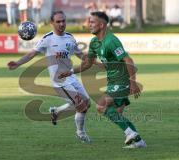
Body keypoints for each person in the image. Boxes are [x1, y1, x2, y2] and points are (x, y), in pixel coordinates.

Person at [59, 11, 146, 148]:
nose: (89, 24)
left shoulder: (111, 41)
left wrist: (133, 83)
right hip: (113, 81)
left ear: (102, 24)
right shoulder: (94, 42)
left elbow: (128, 60)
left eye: (92, 22)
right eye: (89, 21)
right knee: (117, 114)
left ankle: (130, 133)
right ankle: (139, 141)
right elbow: (87, 63)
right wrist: (70, 72)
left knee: (101, 106)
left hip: (122, 80)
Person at [7, 11, 91, 143]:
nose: (61, 24)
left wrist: (90, 59)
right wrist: (17, 63)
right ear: (52, 23)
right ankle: (80, 133)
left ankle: (56, 111)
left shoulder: (70, 37)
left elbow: (80, 54)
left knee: (87, 103)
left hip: (71, 77)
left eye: (63, 21)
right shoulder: (48, 39)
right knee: (80, 105)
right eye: (58, 21)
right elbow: (31, 55)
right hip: (60, 81)